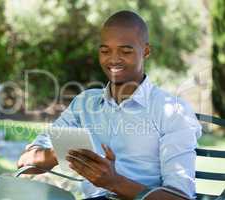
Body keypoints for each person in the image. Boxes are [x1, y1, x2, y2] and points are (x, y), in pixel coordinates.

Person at [17, 10, 201, 200]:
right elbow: (25, 164)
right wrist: (62, 151)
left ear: (145, 51)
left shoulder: (172, 111)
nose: (113, 59)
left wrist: (114, 182)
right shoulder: (85, 104)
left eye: (125, 51)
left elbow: (180, 197)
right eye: (105, 51)